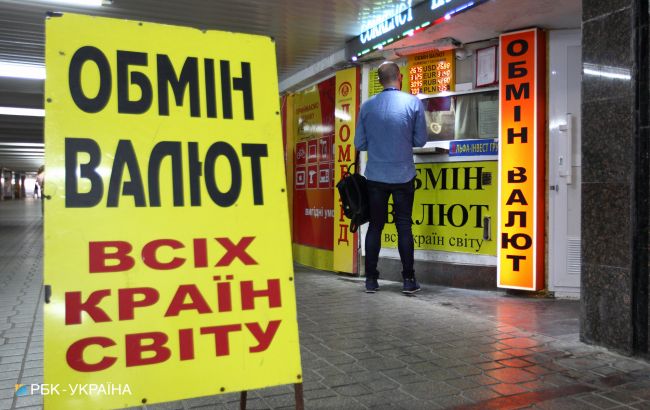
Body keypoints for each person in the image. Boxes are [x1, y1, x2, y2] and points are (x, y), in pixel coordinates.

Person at [354, 61, 427, 294]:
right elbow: (420, 140)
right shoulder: (413, 103)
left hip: (375, 176)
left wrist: (379, 142)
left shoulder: (367, 106)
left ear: (379, 80)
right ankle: (408, 280)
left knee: (375, 226)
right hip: (404, 175)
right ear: (400, 76)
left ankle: (371, 280)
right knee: (404, 226)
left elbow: (359, 143)